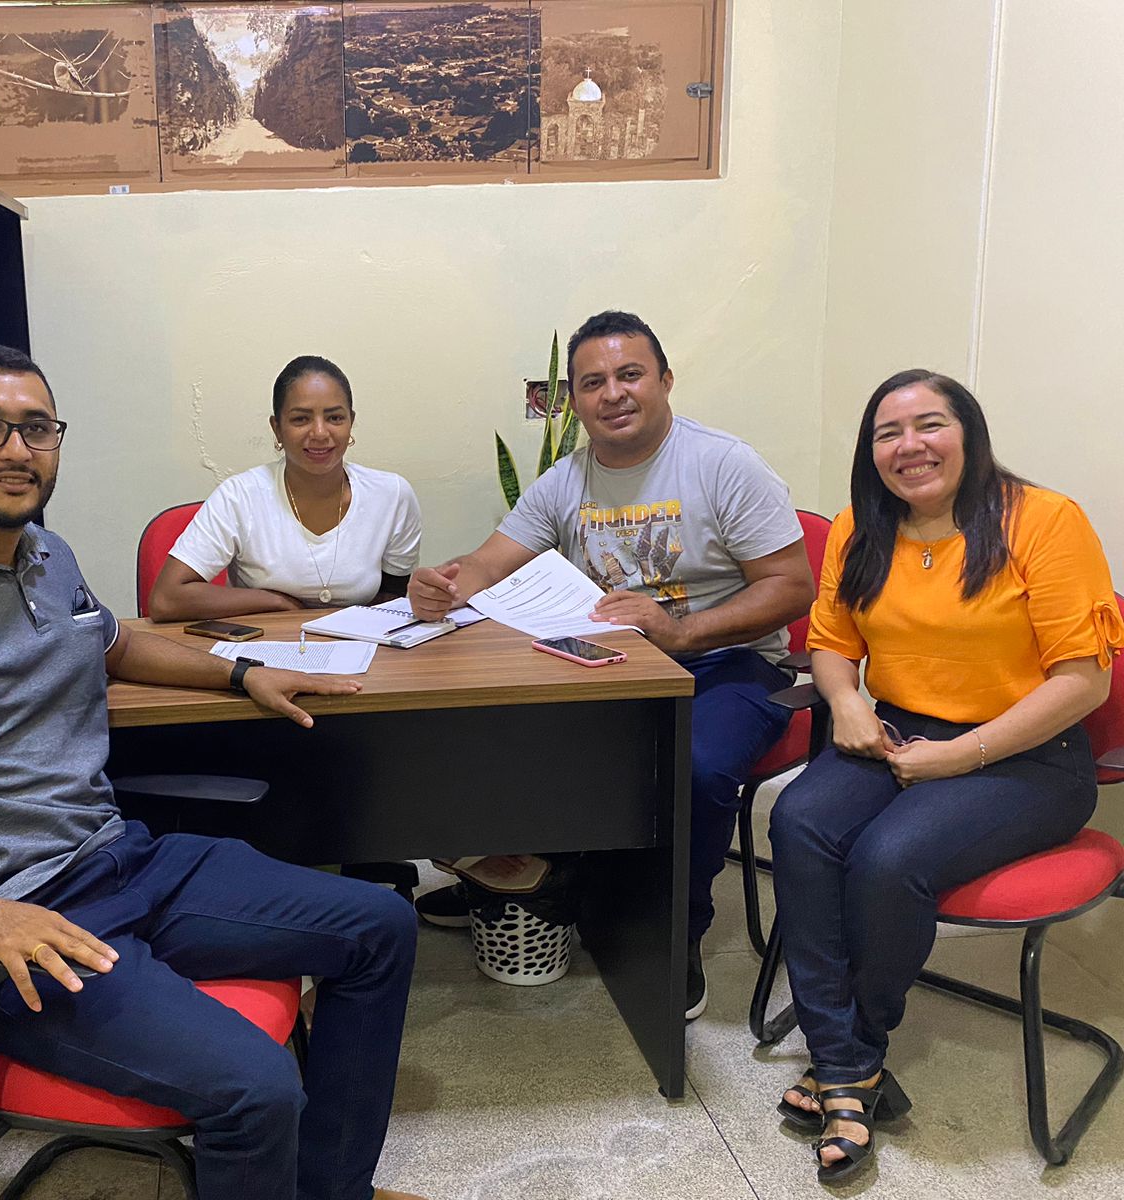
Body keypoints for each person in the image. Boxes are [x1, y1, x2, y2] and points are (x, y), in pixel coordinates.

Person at [0, 345, 427, 1200]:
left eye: (36, 428)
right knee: (255, 1091)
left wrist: (240, 671)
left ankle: (332, 1191)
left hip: (118, 860)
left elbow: (112, 640)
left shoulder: (45, 554)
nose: (15, 449)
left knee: (381, 925)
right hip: (10, 928)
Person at [408, 310, 815, 1019]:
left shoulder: (723, 464)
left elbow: (791, 587)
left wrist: (682, 632)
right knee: (503, 728)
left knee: (693, 764)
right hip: (609, 663)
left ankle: (674, 934)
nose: (614, 394)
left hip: (727, 663)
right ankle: (531, 881)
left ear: (664, 380)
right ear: (573, 401)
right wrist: (438, 586)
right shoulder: (566, 480)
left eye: (630, 375)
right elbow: (483, 565)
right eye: (593, 382)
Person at [768, 369, 1120, 1182]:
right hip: (900, 732)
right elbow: (830, 640)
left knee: (891, 858)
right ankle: (848, 1064)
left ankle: (848, 1060)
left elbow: (1084, 682)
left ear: (970, 433)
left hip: (1034, 755)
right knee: (800, 820)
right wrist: (845, 702)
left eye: (930, 425)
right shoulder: (865, 524)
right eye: (888, 434)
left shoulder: (1044, 521)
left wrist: (961, 756)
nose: (909, 447)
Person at [148, 355, 421, 621]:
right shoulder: (239, 497)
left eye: (334, 418)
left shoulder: (392, 495)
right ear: (277, 428)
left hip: (359, 656)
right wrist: (274, 601)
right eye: (300, 419)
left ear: (350, 422)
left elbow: (391, 598)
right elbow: (166, 600)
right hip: (259, 655)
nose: (320, 433)